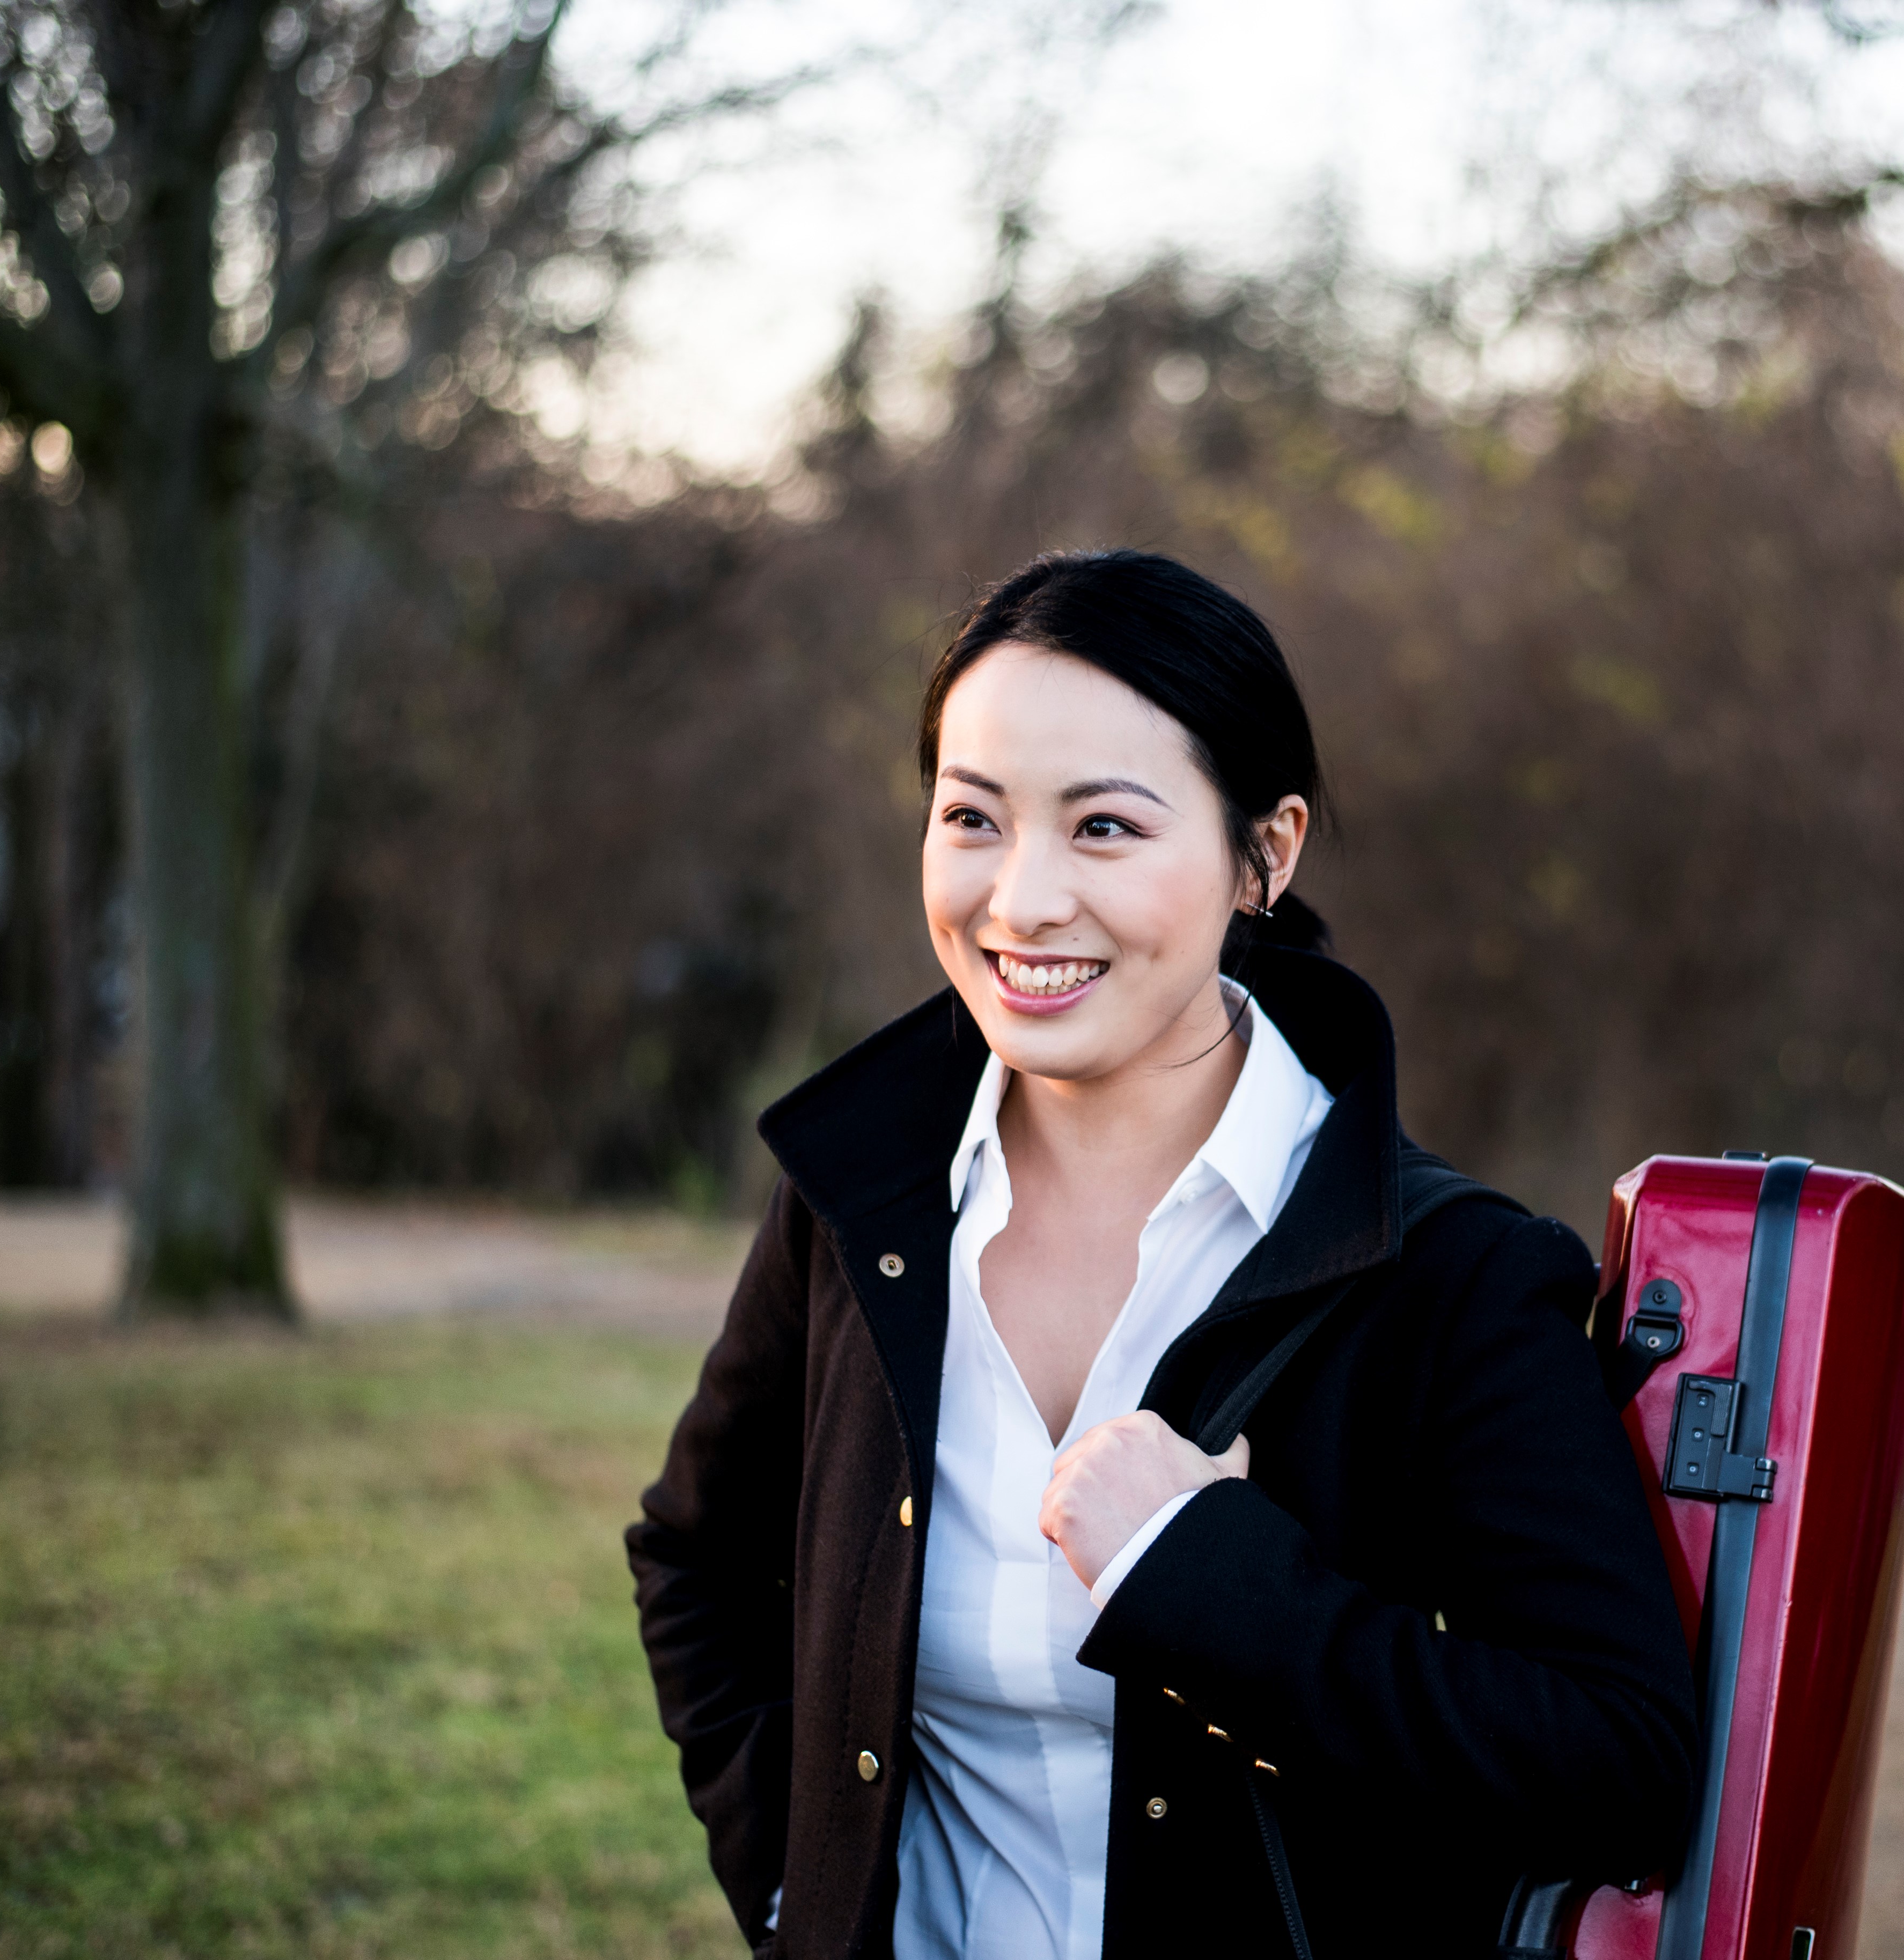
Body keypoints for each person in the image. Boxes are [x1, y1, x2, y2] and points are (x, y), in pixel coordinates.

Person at [626, 549, 1696, 1960]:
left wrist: (1208, 1581)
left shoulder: (1450, 1278)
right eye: (972, 818)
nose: (1023, 900)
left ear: (1268, 854)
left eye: (1105, 829)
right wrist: (801, 1901)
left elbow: (1618, 1763)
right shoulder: (857, 1204)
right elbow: (697, 1563)